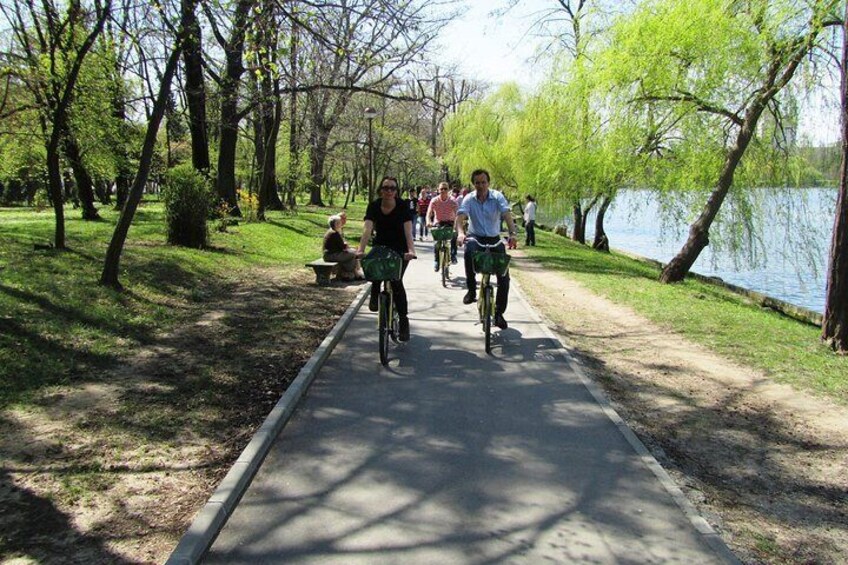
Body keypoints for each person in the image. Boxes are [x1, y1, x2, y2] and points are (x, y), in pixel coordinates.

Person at [356, 176, 417, 341]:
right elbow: (367, 229)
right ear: (380, 190)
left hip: (400, 249)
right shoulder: (374, 206)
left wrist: (411, 250)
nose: (389, 191)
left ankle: (404, 321)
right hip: (380, 247)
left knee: (396, 281)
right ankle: (375, 291)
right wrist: (360, 250)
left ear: (396, 191)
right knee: (374, 267)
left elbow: (408, 232)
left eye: (392, 188)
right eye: (386, 188)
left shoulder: (403, 206)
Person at [455, 169, 518, 330]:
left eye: (483, 182)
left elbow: (506, 215)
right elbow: (460, 217)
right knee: (469, 252)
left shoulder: (497, 197)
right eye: (477, 183)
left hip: (494, 239)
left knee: (504, 276)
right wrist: (461, 234)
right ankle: (471, 291)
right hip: (476, 237)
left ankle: (499, 313)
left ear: (488, 183)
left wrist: (512, 234)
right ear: (473, 184)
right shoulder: (469, 199)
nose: (481, 185)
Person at [426, 181, 459, 269]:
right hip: (438, 222)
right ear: (438, 190)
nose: (443, 190)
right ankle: (436, 260)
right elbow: (429, 213)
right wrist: (428, 221)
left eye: (445, 189)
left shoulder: (453, 200)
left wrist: (457, 225)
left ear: (448, 190)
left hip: (450, 222)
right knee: (437, 242)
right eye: (441, 189)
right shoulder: (434, 200)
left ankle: (453, 255)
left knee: (454, 235)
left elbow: (457, 214)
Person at [323, 212, 363, 281]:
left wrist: (348, 247)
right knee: (353, 254)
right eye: (338, 223)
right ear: (334, 224)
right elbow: (343, 247)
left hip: (331, 254)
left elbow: (340, 246)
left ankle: (348, 274)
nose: (340, 224)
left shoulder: (332, 232)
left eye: (339, 222)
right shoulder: (334, 233)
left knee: (352, 254)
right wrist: (347, 247)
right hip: (331, 255)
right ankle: (352, 273)